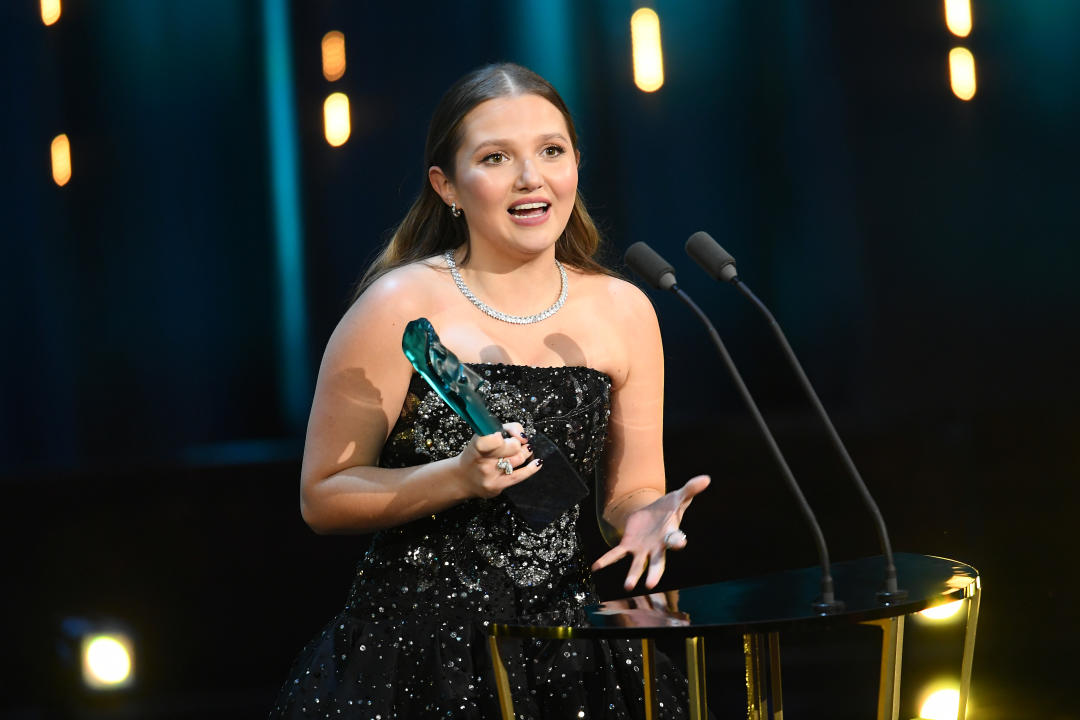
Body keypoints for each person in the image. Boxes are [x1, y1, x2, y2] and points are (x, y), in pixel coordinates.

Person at [271, 62, 710, 719]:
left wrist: (646, 512)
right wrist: (455, 477)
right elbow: (322, 496)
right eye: (497, 157)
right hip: (415, 660)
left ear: (575, 166)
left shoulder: (624, 310)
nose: (531, 178)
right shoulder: (398, 305)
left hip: (568, 654)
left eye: (551, 151)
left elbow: (630, 491)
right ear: (447, 186)